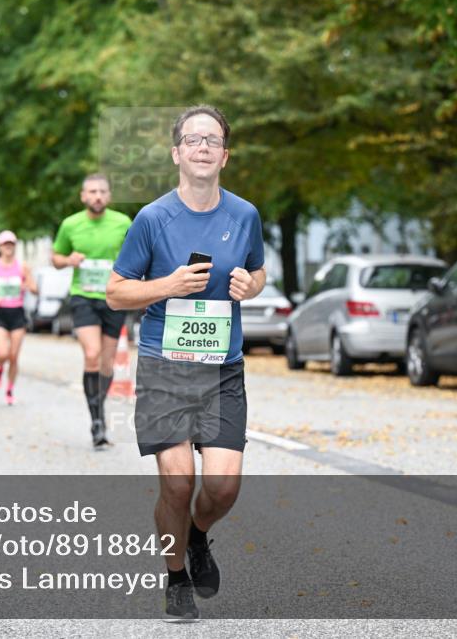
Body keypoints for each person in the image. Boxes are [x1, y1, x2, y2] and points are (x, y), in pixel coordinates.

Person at [106, 106, 266, 622]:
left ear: (225, 155)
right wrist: (167, 286)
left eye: (212, 139)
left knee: (221, 487)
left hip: (222, 369)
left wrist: (251, 285)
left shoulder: (245, 215)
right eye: (193, 138)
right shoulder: (152, 219)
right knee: (177, 483)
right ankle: (176, 577)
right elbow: (115, 292)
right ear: (177, 153)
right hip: (164, 367)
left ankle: (197, 536)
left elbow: (258, 271)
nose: (203, 146)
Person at [51, 174, 132, 450]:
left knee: (107, 364)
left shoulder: (123, 223)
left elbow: (136, 255)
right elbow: (56, 258)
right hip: (83, 296)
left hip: (113, 298)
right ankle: (97, 420)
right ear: (83, 196)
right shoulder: (70, 224)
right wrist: (68, 260)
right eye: (92, 192)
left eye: (102, 191)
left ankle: (99, 407)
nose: (97, 196)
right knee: (91, 355)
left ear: (108, 196)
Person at [0, 231, 39, 405]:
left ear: (15, 246)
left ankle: (10, 389)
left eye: (11, 243)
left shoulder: (23, 266)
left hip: (17, 313)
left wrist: (29, 286)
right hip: (0, 313)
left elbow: (35, 288)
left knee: (14, 356)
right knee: (3, 353)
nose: (8, 247)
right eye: (5, 244)